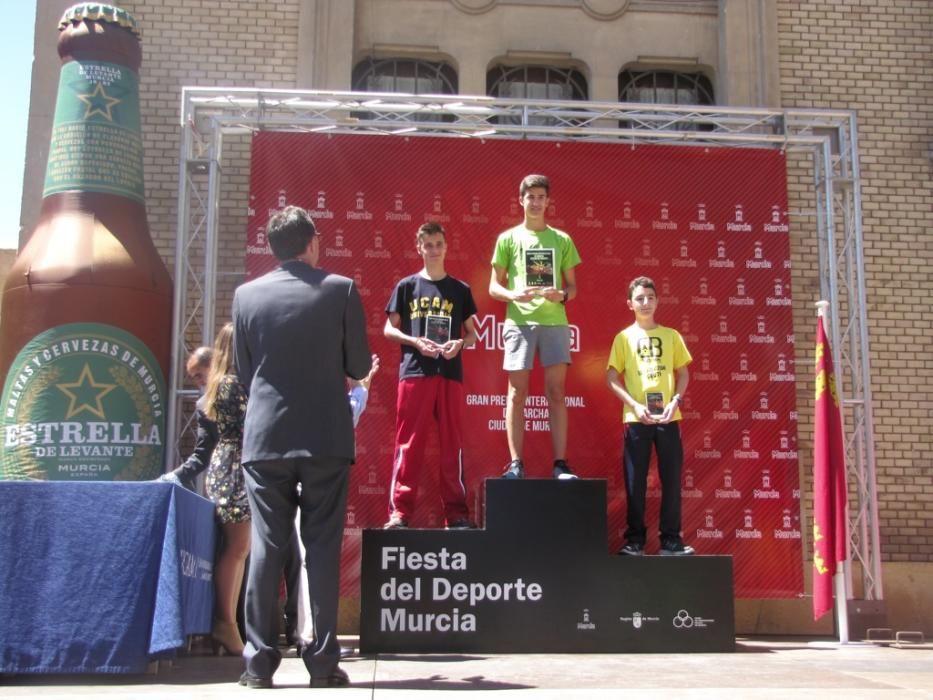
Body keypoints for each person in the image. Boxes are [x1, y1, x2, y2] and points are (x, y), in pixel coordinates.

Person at [233, 205, 371, 689]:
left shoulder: (246, 296)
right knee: (322, 548)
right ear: (312, 243)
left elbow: (246, 374)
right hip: (325, 439)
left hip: (266, 437)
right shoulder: (341, 290)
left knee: (267, 548)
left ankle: (258, 664)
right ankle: (323, 663)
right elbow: (358, 366)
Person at [383, 222, 478, 530]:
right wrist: (414, 341)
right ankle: (400, 513)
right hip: (414, 371)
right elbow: (388, 329)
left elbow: (473, 335)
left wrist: (459, 343)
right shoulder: (406, 286)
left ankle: (457, 514)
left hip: (450, 371)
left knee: (453, 443)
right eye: (428, 244)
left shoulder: (460, 289)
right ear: (419, 247)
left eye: (439, 244)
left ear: (446, 247)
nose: (434, 249)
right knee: (408, 442)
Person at [489, 174, 582, 480]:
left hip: (554, 322)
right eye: (530, 197)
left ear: (548, 201)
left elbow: (573, 287)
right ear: (521, 200)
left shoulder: (562, 239)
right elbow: (493, 287)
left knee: (556, 392)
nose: (536, 202)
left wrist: (562, 295)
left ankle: (560, 464)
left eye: (541, 197)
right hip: (519, 323)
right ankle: (516, 464)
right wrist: (512, 294)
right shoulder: (508, 238)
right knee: (517, 393)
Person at [606, 276, 694, 556]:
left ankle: (671, 540)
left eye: (650, 298)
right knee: (635, 482)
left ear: (658, 301)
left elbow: (683, 373)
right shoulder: (623, 338)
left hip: (669, 417)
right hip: (636, 419)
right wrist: (634, 405)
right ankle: (635, 541)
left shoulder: (672, 336)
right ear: (630, 304)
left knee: (671, 479)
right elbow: (611, 377)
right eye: (640, 299)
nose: (645, 303)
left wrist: (675, 402)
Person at [201, 323, 252, 654]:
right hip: (234, 466)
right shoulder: (232, 385)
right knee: (235, 549)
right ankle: (226, 624)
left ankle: (229, 623)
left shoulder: (224, 383)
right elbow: (250, 424)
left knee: (239, 550)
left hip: (233, 463)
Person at [159, 347, 218, 490]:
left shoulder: (244, 389)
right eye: (193, 378)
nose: (198, 382)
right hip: (225, 474)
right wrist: (174, 476)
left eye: (199, 375)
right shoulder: (204, 405)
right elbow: (202, 454)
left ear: (212, 366)